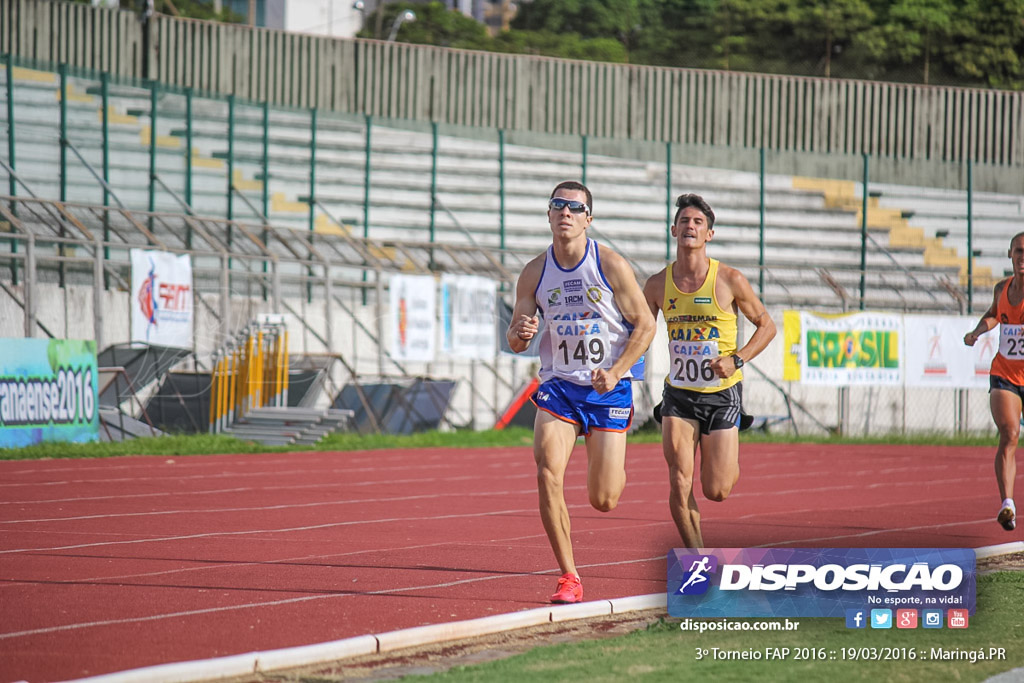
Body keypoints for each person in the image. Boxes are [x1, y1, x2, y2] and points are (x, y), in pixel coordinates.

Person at [507, 180, 656, 604]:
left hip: (607, 389)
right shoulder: (535, 272)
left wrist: (617, 370)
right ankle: (569, 576)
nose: (565, 213)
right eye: (558, 206)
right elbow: (516, 339)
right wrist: (520, 331)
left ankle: (614, 454)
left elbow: (645, 325)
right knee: (546, 470)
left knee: (604, 498)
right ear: (549, 214)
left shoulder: (610, 265)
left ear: (589, 218)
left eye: (575, 207)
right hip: (560, 386)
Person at [642, 193, 776, 548]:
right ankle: (698, 560)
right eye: (684, 221)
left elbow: (767, 326)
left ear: (709, 235)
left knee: (717, 490)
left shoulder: (729, 279)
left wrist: (737, 358)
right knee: (679, 481)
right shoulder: (657, 284)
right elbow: (637, 329)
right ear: (674, 230)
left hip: (722, 393)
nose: (690, 226)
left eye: (698, 223)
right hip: (679, 395)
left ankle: (727, 456)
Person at [964, 231, 1024, 532]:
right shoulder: (1002, 288)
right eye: (1018, 251)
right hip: (1005, 374)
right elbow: (993, 315)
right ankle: (1007, 505)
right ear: (1009, 255)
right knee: (1010, 433)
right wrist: (978, 332)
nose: (1022, 258)